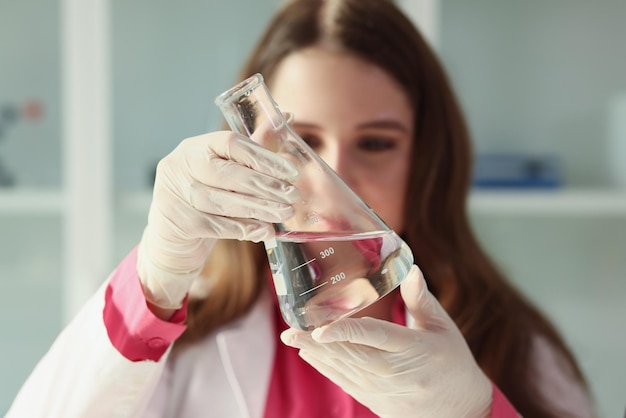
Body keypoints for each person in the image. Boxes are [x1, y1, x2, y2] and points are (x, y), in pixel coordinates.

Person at [7, 0, 595, 417]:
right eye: (304, 141)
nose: (332, 178)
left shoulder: (512, 346)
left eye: (376, 143)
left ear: (429, 161)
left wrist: (473, 413)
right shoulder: (186, 338)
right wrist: (155, 283)